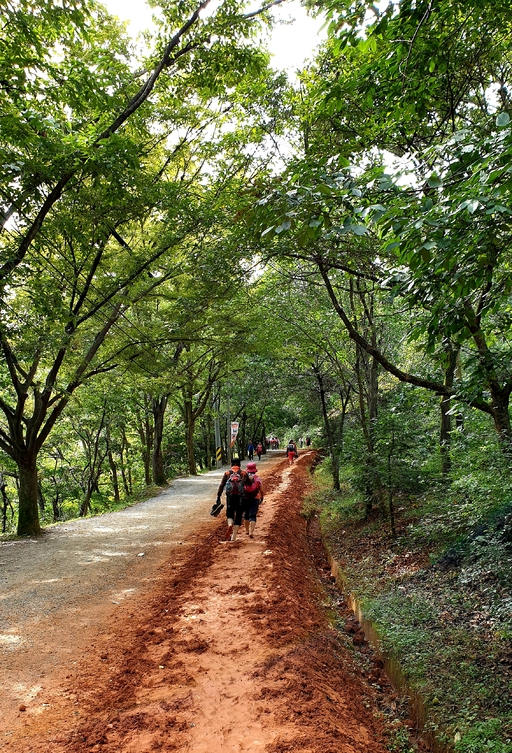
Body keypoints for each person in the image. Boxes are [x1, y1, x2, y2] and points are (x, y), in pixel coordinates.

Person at [216, 458, 249, 541]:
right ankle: (233, 537)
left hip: (230, 498)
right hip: (240, 498)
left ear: (231, 465)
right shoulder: (243, 473)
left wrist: (218, 496)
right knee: (239, 516)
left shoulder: (227, 473)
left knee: (229, 514)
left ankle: (230, 524)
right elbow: (249, 484)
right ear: (240, 465)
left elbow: (222, 485)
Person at [243, 461, 263, 538]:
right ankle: (251, 532)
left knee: (246, 514)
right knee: (253, 514)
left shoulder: (244, 478)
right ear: (255, 469)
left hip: (245, 498)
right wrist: (262, 497)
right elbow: (261, 490)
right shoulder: (257, 478)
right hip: (255, 498)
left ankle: (247, 531)